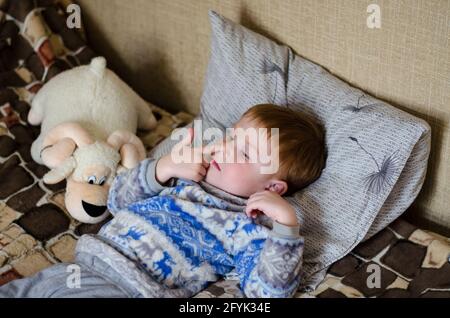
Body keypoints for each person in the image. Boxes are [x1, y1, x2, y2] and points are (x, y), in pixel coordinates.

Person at [0, 104, 326, 298]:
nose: (224, 147)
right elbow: (116, 200)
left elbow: (265, 295)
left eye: (243, 152)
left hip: (129, 289)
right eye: (230, 137)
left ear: (274, 186)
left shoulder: (246, 227)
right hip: (80, 267)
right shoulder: (184, 176)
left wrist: (286, 227)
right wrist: (163, 167)